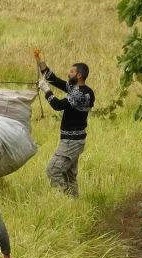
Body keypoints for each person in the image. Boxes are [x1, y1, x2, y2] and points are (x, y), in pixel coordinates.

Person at [35, 52, 95, 197]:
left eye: (72, 71)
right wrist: (39, 60)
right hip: (74, 140)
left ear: (79, 75)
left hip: (71, 142)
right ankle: (74, 203)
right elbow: (55, 80)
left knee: (53, 170)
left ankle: (64, 199)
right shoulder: (79, 90)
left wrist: (46, 90)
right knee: (69, 175)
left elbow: (57, 105)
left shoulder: (79, 94)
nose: (69, 73)